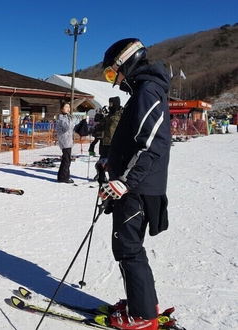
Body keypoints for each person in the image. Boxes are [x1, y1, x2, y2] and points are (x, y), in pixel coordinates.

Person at [98, 38, 171, 330]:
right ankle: (143, 304)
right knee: (129, 247)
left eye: (111, 73)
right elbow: (133, 140)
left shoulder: (147, 91)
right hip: (135, 186)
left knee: (128, 249)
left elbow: (153, 143)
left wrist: (125, 181)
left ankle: (142, 317)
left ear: (124, 63)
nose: (113, 81)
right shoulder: (142, 91)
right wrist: (110, 162)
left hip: (137, 189)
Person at [56, 103, 75, 183]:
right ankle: (64, 177)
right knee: (67, 160)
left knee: (66, 159)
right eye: (66, 107)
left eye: (69, 107)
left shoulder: (67, 117)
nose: (68, 108)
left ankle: (62, 176)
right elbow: (66, 127)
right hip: (65, 141)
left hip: (68, 140)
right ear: (62, 109)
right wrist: (72, 120)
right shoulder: (61, 118)